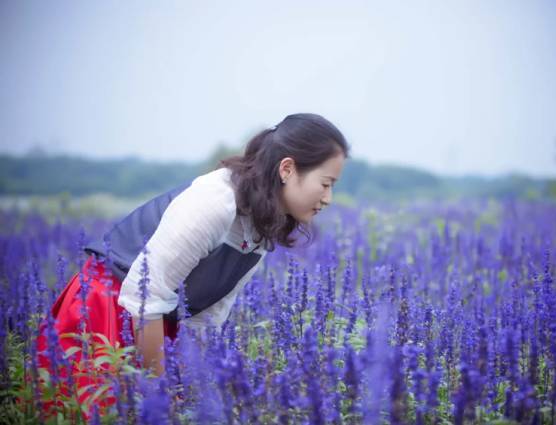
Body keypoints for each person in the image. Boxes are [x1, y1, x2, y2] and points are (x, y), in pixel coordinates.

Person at [33, 112, 350, 418]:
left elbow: (204, 317)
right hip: (107, 314)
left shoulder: (263, 225)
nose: (328, 198)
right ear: (287, 169)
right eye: (325, 183)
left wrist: (189, 385)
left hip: (154, 325)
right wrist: (160, 390)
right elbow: (144, 298)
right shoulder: (216, 201)